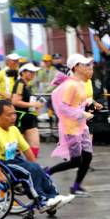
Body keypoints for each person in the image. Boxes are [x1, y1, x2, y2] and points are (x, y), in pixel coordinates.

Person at [0, 99, 74, 213]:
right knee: (29, 171)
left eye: (14, 113)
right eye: (9, 115)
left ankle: (54, 197)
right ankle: (42, 201)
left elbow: (26, 148)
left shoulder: (13, 129)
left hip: (12, 159)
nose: (14, 117)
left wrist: (35, 165)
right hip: (0, 162)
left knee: (39, 169)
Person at [46, 54, 98, 196]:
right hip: (71, 128)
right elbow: (63, 107)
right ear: (76, 67)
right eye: (85, 65)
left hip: (81, 126)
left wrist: (90, 104)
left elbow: (78, 102)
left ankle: (76, 187)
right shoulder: (70, 85)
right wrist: (83, 114)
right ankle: (47, 172)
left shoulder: (79, 84)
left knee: (87, 157)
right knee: (76, 161)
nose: (88, 67)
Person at [10, 63, 44, 157]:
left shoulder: (26, 84)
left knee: (35, 145)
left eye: (34, 72)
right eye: (30, 72)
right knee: (14, 147)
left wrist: (34, 107)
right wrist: (33, 104)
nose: (33, 74)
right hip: (20, 118)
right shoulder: (20, 83)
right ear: (23, 72)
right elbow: (15, 101)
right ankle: (11, 165)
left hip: (29, 117)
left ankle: (32, 167)